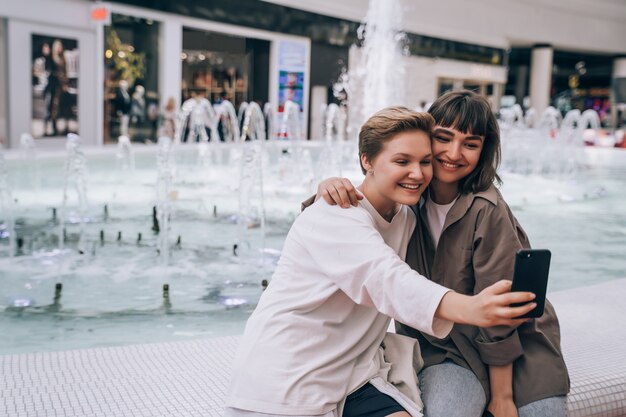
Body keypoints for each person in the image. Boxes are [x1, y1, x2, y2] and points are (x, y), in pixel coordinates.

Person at [226, 106, 537, 417]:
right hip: (287, 378)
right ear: (366, 160)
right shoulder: (334, 216)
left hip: (353, 376)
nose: (417, 174)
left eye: (425, 161)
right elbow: (387, 279)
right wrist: (471, 308)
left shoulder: (405, 214)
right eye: (402, 161)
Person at [314, 91, 570, 417]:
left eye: (471, 144)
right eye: (443, 138)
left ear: (484, 149)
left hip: (516, 350)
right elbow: (362, 209)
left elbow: (502, 311)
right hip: (443, 348)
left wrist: (502, 396)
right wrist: (330, 187)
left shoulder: (487, 209)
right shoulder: (409, 197)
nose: (454, 153)